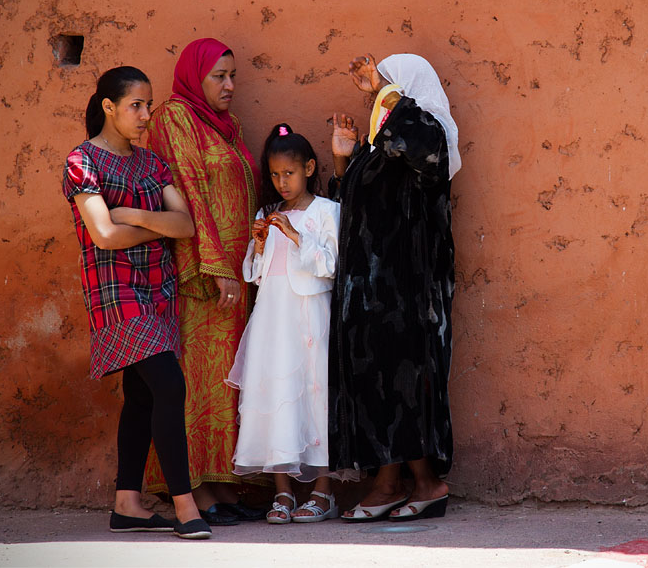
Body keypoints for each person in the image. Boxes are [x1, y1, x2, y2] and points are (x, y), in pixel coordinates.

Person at [62, 66, 211, 540]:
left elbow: (186, 226)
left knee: (143, 395)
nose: (147, 115)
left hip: (158, 288)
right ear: (108, 107)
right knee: (168, 385)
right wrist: (155, 223)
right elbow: (103, 236)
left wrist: (131, 214)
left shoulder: (152, 164)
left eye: (149, 105)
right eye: (137, 106)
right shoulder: (81, 161)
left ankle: (127, 502)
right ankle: (186, 507)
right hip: (115, 293)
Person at [328, 53, 461, 522]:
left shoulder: (430, 133)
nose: (378, 94)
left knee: (405, 384)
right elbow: (357, 210)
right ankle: (392, 483)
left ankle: (420, 484)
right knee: (376, 384)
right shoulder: (380, 141)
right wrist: (344, 163)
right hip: (371, 296)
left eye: (388, 85)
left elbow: (419, 149)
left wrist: (383, 94)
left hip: (408, 290)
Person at [143, 39, 263, 525]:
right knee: (198, 378)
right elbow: (188, 188)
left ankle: (221, 482)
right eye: (219, 76)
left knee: (226, 380)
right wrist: (213, 264)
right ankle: (194, 487)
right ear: (196, 77)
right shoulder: (176, 118)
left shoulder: (228, 128)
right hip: (203, 275)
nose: (230, 85)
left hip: (238, 275)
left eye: (233, 76)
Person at [226, 123, 353, 523]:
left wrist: (297, 236)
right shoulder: (268, 214)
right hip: (272, 318)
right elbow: (254, 274)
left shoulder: (328, 212)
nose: (282, 182)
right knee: (274, 392)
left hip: (310, 317)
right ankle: (282, 491)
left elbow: (332, 267)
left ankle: (323, 490)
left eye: (290, 173)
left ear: (311, 168)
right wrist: (260, 245)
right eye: (275, 175)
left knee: (314, 393)